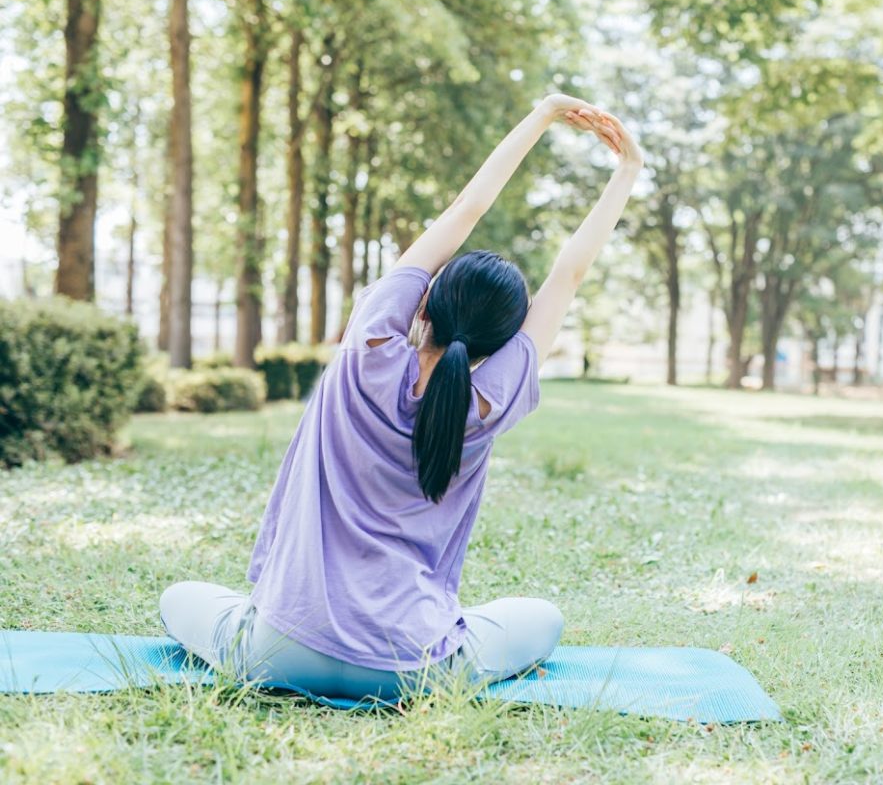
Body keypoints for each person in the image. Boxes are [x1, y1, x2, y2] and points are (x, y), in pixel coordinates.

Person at [159, 94, 643, 701]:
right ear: (501, 346)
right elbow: (567, 275)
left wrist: (544, 113)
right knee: (540, 618)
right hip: (415, 670)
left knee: (178, 598)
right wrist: (627, 171)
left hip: (276, 651)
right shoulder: (491, 400)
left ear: (422, 305)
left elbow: (467, 209)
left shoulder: (368, 344)